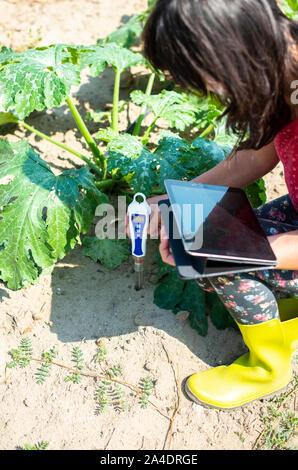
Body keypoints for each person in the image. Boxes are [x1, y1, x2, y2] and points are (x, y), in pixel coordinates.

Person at [142, 0, 298, 409]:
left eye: (209, 80)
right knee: (214, 239)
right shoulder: (287, 66)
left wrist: (252, 254)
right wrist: (184, 199)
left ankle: (267, 368)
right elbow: (258, 155)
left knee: (227, 264)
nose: (213, 91)